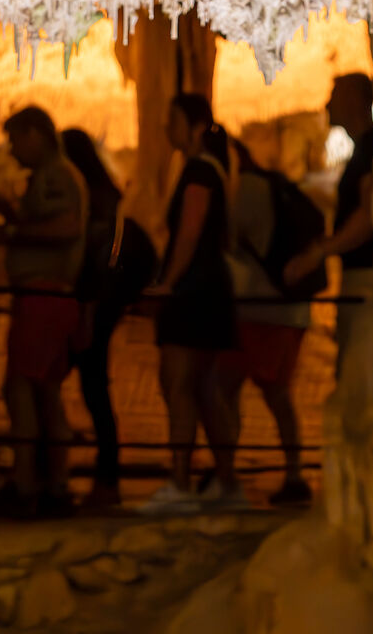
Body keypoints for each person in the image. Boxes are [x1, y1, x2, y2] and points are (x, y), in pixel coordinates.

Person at [141, 93, 243, 514]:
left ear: (196, 126)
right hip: (209, 288)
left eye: (173, 120)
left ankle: (181, 482)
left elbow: (189, 232)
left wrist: (167, 282)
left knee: (178, 384)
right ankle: (225, 480)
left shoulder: (199, 171)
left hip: (194, 290)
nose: (167, 129)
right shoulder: (211, 168)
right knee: (203, 389)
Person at [0, 105, 88, 514]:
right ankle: (51, 483)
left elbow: (66, 228)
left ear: (35, 134)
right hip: (47, 297)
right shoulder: (50, 178)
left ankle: (27, 483)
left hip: (44, 297)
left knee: (23, 389)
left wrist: (13, 232)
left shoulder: (57, 176)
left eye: (15, 140)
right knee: (43, 391)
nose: (11, 151)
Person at [61, 127, 154, 510]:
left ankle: (104, 477)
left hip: (96, 303)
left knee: (92, 386)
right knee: (88, 385)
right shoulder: (105, 195)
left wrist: (86, 310)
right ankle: (91, 471)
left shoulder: (95, 201)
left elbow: (96, 262)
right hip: (102, 301)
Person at [224, 136, 317, 507]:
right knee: (278, 393)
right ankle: (293, 472)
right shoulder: (275, 184)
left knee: (223, 388)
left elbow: (227, 241)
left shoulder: (243, 189)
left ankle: (226, 472)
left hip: (260, 308)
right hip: (292, 307)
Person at [282, 71, 373, 359]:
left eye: (333, 98)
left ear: (352, 100)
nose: (326, 106)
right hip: (361, 278)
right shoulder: (364, 150)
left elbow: (370, 215)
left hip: (370, 282)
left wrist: (320, 252)